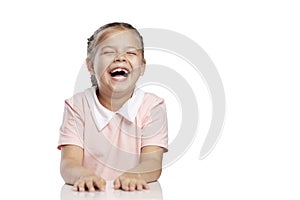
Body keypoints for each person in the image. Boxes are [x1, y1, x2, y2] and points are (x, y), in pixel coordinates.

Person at [58, 22, 168, 192]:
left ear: (143, 67)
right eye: (109, 52)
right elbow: (68, 163)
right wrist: (82, 175)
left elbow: (153, 162)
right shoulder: (77, 106)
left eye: (131, 52)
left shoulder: (152, 106)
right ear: (90, 65)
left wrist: (137, 175)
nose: (120, 58)